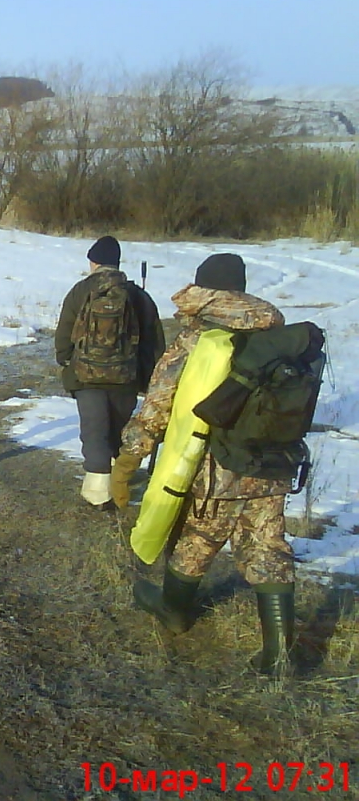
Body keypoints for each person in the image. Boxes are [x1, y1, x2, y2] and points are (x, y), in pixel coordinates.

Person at [112, 253, 295, 675]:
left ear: (205, 290)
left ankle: (174, 611)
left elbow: (159, 404)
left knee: (198, 538)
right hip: (273, 460)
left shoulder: (198, 338)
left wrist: (129, 456)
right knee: (268, 544)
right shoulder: (276, 335)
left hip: (219, 464)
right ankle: (279, 653)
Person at [54, 235, 164, 508]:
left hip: (86, 375)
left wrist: (68, 363)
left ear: (93, 262)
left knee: (93, 430)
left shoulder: (81, 291)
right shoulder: (137, 295)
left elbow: (64, 332)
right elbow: (153, 341)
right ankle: (118, 484)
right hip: (125, 377)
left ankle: (97, 493)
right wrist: (148, 376)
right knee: (118, 428)